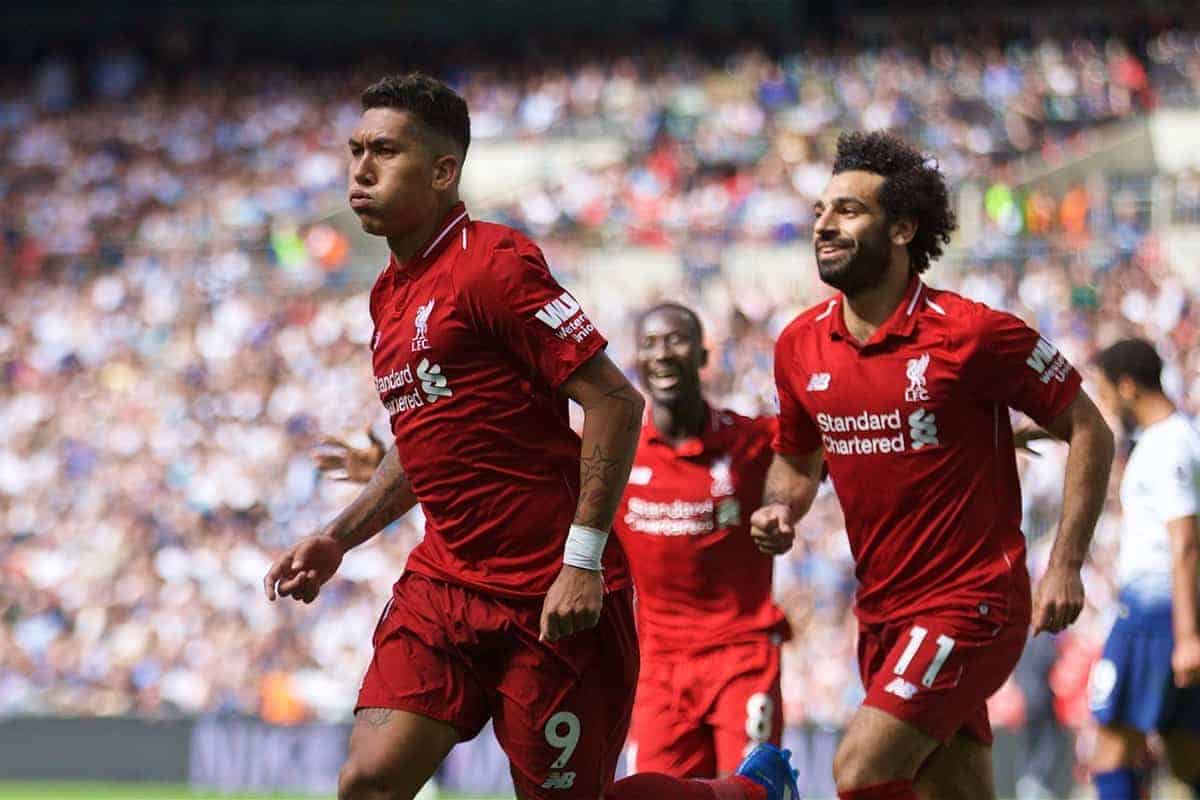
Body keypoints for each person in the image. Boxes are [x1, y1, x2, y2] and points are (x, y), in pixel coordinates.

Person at [265, 72, 797, 800]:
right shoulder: (388, 294)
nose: (360, 168)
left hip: (549, 596)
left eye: (384, 151)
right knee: (369, 781)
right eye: (356, 149)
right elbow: (426, 445)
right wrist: (338, 537)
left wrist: (581, 561)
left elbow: (614, 401)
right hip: (445, 588)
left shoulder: (493, 264)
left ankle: (751, 795)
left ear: (444, 170)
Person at [751, 130, 1115, 800]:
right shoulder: (799, 345)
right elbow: (796, 464)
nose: (825, 225)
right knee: (955, 789)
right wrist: (782, 506)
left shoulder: (973, 333)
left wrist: (1064, 562)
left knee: (860, 769)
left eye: (849, 211)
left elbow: (1089, 428)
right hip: (883, 610)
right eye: (820, 212)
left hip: (973, 600)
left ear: (903, 229)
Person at [619, 303, 791, 777]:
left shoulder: (750, 442)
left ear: (702, 356)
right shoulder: (614, 454)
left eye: (676, 341)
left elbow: (823, 445)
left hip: (741, 655)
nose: (663, 354)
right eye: (650, 344)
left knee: (749, 790)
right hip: (657, 669)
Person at [1087, 338, 1200, 800]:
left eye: (1105, 391)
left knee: (1110, 755)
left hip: (1156, 619)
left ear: (1128, 387)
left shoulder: (1171, 444)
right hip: (1164, 616)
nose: (1105, 402)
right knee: (1185, 751)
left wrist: (1188, 635)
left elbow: (1186, 542)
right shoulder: (1163, 440)